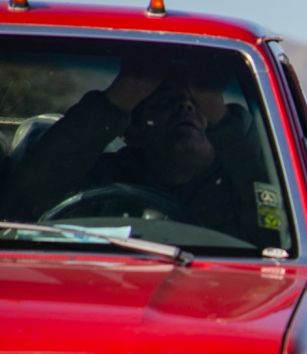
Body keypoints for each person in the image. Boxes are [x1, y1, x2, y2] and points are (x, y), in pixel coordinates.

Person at [0, 56, 280, 248]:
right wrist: (122, 95)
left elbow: (278, 231)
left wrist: (217, 110)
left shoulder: (243, 183)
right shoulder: (98, 178)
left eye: (198, 106)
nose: (186, 107)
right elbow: (21, 207)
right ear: (131, 132)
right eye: (165, 102)